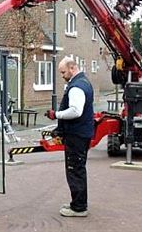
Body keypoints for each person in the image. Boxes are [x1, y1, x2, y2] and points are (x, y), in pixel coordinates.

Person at [45, 56, 94, 217]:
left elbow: (75, 111)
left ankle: (79, 207)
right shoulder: (84, 82)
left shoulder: (76, 87)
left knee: (75, 169)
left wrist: (56, 115)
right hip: (82, 133)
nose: (62, 75)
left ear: (72, 68)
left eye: (63, 72)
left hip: (76, 135)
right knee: (78, 168)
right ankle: (77, 202)